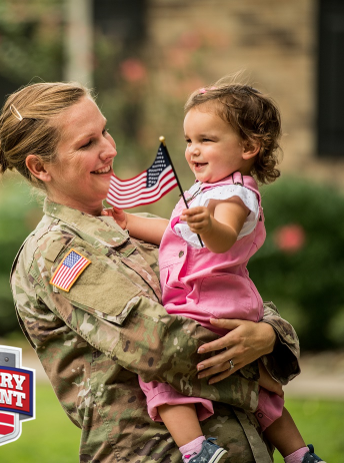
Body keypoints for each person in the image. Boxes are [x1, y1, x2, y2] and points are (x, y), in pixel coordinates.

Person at [0, 81, 302, 463]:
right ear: (39, 166)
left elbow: (236, 298)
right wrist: (257, 372)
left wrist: (269, 335)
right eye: (87, 143)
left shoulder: (146, 228)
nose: (110, 149)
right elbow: (159, 344)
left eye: (105, 131)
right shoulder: (57, 253)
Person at [104, 83, 326, 463]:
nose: (193, 150)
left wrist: (208, 225)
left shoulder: (236, 195)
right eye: (189, 140)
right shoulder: (206, 191)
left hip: (207, 305)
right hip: (224, 305)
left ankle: (196, 450)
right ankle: (299, 454)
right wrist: (129, 222)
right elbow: (173, 233)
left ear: (248, 147)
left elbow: (223, 238)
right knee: (262, 397)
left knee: (158, 373)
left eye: (206, 140)